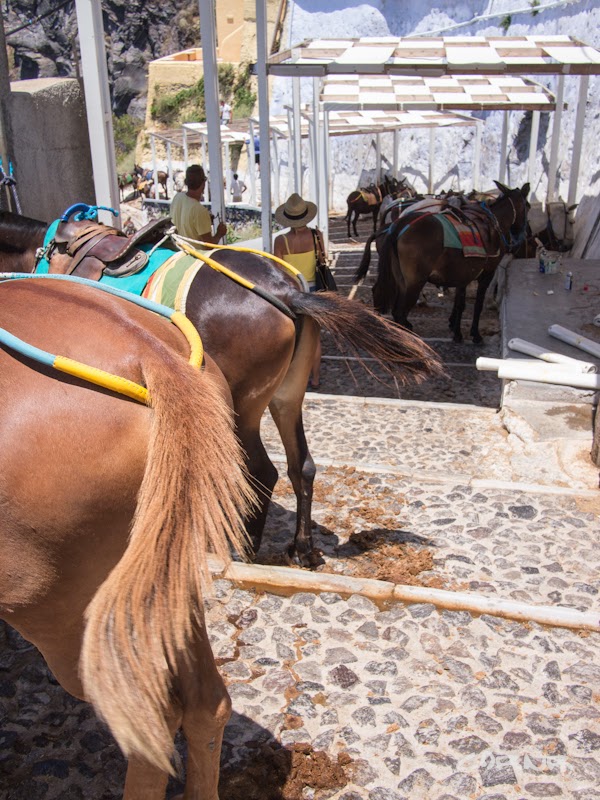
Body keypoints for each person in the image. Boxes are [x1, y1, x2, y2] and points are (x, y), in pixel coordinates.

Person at [273, 193, 327, 390]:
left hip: (292, 291)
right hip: (313, 290)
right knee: (314, 337)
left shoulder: (281, 241)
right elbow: (322, 261)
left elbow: (277, 269)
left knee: (292, 336)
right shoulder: (317, 235)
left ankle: (292, 377)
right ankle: (315, 378)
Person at [170, 164, 227, 244]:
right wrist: (219, 234)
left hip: (180, 250)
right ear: (203, 184)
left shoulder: (177, 197)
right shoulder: (199, 211)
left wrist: (204, 220)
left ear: (186, 182)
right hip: (196, 254)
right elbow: (208, 246)